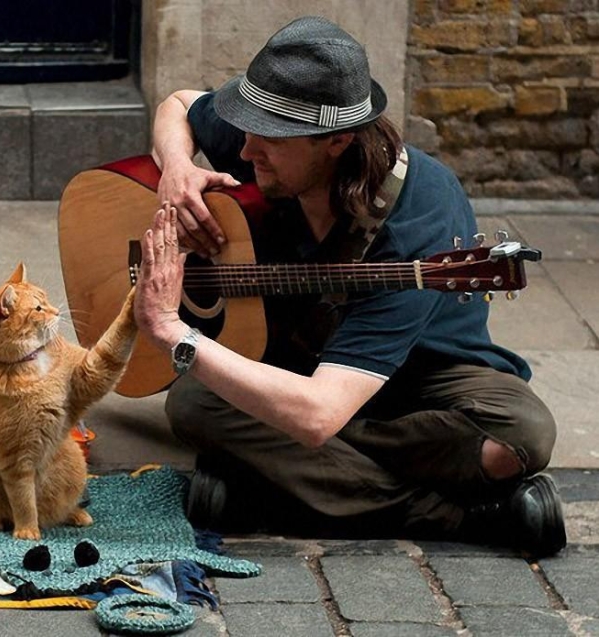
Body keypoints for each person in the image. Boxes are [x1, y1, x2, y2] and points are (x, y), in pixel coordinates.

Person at [131, 16, 566, 558]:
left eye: (267, 138)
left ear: (337, 140)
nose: (245, 152)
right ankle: (455, 515)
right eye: (246, 127)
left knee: (518, 436)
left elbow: (318, 415)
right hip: (295, 356)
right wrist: (175, 168)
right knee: (197, 401)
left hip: (421, 375)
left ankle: (270, 484)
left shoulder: (418, 222)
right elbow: (176, 103)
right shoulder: (270, 134)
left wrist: (173, 330)